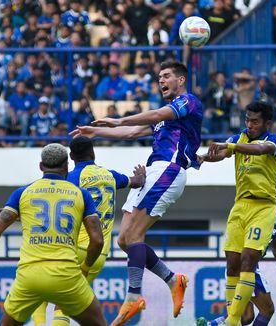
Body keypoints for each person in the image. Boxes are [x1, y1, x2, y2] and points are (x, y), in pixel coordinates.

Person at [70, 61, 203, 325]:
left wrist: (118, 118)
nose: (161, 81)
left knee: (133, 235)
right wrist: (96, 131)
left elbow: (153, 116)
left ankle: (133, 297)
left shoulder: (188, 101)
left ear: (181, 80)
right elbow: (132, 132)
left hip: (168, 170)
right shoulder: (167, 119)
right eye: (159, 77)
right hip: (156, 170)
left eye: (166, 76)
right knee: (124, 240)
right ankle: (172, 280)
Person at [0, 143, 107, 326]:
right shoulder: (81, 194)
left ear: (41, 166)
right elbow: (97, 241)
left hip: (30, 276)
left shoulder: (22, 193)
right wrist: (85, 267)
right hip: (66, 275)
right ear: (67, 166)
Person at [32, 136, 147, 326]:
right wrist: (141, 175)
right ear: (93, 153)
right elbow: (135, 181)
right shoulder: (109, 175)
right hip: (98, 254)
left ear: (70, 158)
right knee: (64, 304)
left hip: (72, 249)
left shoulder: (71, 178)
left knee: (39, 290)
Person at [196, 101, 276, 326]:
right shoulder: (239, 138)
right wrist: (205, 157)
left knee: (248, 260)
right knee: (232, 263)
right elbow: (222, 153)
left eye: (255, 121)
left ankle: (231, 321)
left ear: (268, 123)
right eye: (247, 120)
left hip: (263, 207)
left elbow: (260, 149)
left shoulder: (274, 141)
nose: (249, 125)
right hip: (240, 205)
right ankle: (232, 319)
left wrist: (231, 147)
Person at [198, 183, 276, 326]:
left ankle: (210, 325)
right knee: (267, 310)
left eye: (271, 190)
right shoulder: (250, 213)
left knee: (246, 317)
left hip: (249, 267)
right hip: (247, 269)